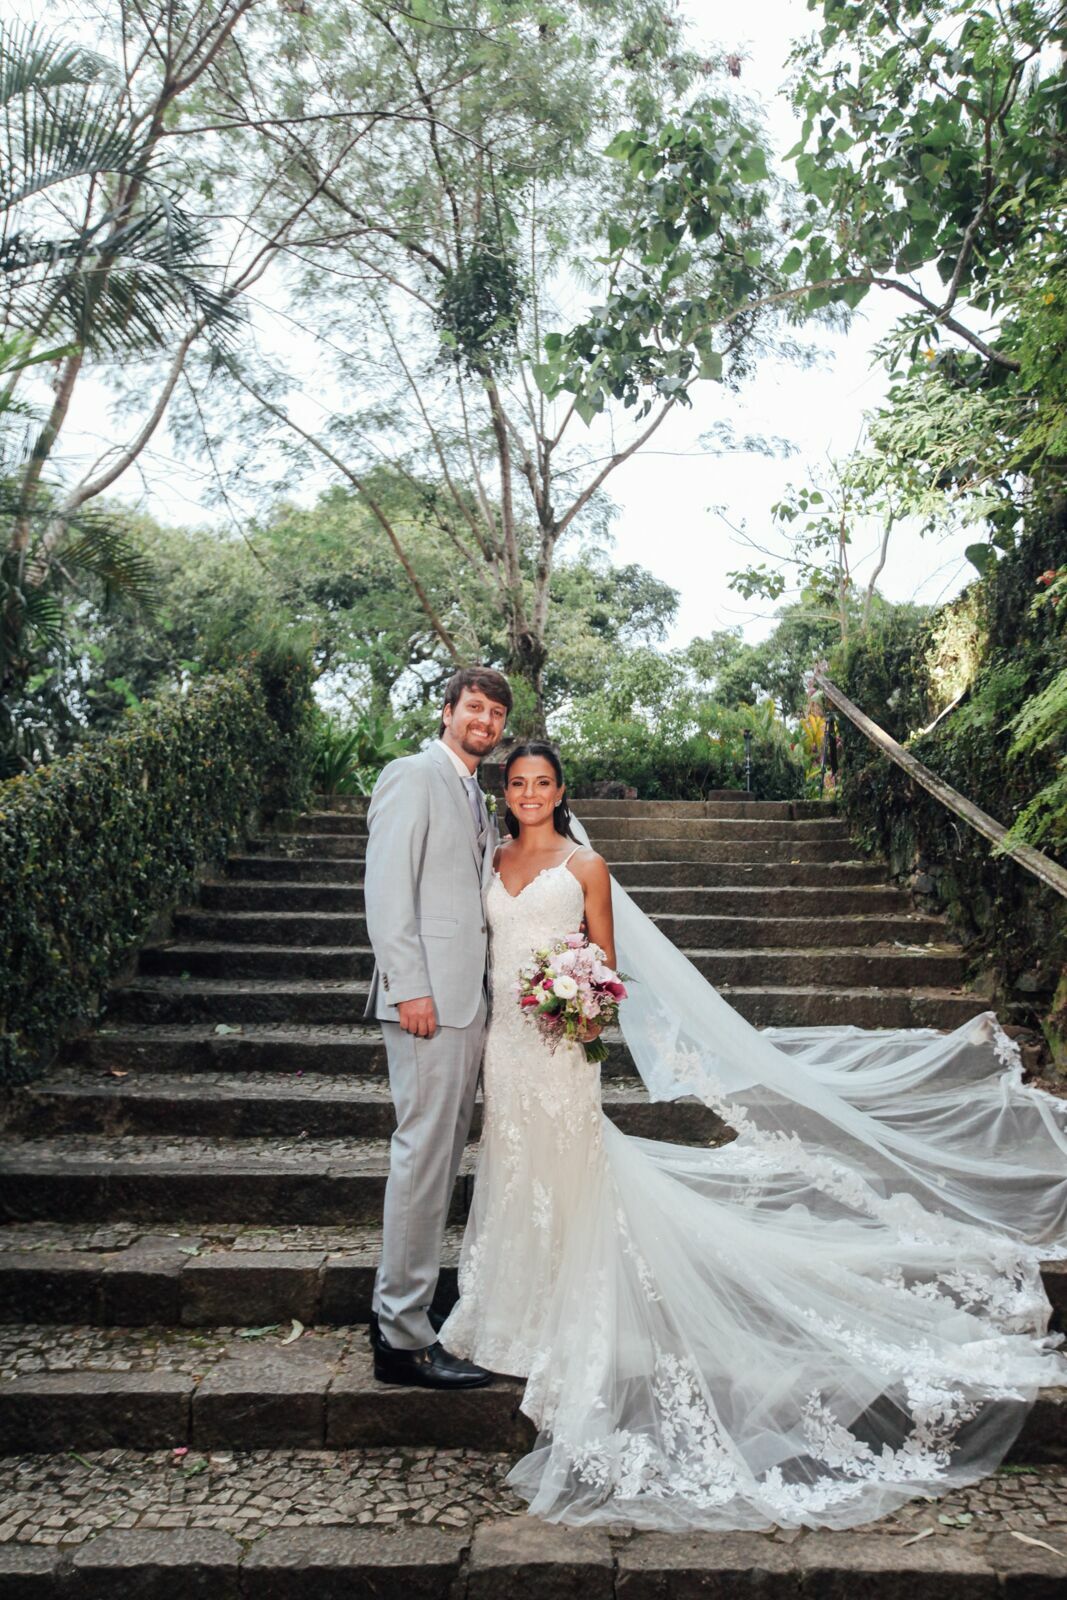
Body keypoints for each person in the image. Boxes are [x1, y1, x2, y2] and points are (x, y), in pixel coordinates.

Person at [439, 740, 1067, 1529]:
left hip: (560, 1046)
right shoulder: (490, 858)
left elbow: (604, 965)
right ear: (505, 791)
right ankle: (505, 1307)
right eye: (518, 782)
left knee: (565, 1168)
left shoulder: (584, 867)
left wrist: (581, 1006)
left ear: (560, 790)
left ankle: (564, 1305)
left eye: (542, 782)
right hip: (504, 1042)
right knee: (510, 1166)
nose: (529, 792)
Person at [363, 665, 511, 1388]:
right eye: (472, 707)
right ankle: (400, 1335)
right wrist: (408, 987)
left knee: (436, 1161)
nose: (482, 720)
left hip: (466, 1005)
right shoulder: (412, 775)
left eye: (494, 713)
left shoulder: (472, 793)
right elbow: (387, 889)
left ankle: (407, 1313)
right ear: (446, 710)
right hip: (428, 1005)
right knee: (421, 1161)